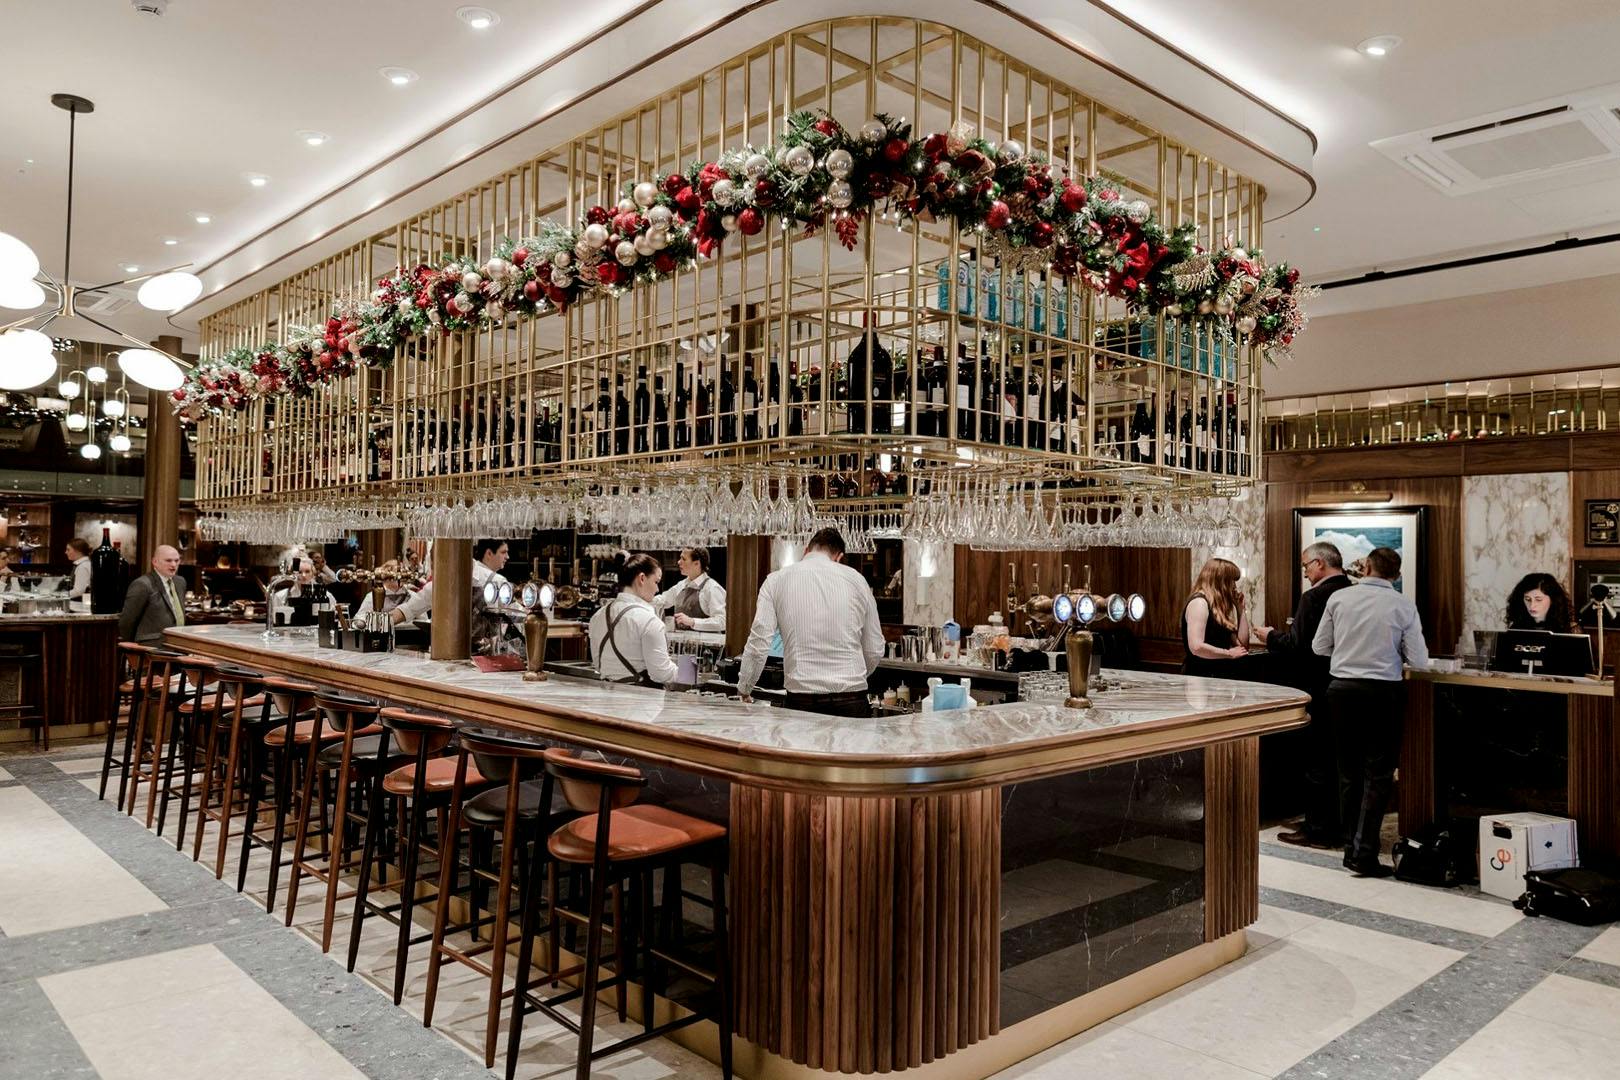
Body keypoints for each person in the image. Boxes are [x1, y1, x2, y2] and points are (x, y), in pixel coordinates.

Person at [1312, 546, 1429, 878]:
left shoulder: (1339, 599)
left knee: (1348, 772)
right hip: (1382, 693)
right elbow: (1419, 660)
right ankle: (1363, 852)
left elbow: (1319, 647)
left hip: (1342, 690)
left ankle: (1352, 847)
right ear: (1397, 575)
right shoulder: (1402, 605)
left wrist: (1350, 650)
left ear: (1365, 568)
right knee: (1378, 773)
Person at [1257, 542, 1353, 849]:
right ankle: (1340, 826)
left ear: (1320, 564)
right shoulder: (1352, 592)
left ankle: (1318, 829)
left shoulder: (1314, 597)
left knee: (1317, 762)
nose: (1306, 573)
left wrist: (1270, 636)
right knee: (1340, 762)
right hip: (1346, 686)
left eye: (1306, 566)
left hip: (1316, 687)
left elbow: (1298, 646)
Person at [736, 527, 884, 718]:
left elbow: (759, 643)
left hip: (801, 702)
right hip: (851, 701)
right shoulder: (857, 580)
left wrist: (745, 688)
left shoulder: (775, 581)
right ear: (839, 557)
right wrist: (854, 677)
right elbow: (874, 648)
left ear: (806, 550)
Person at [589, 552, 678, 686]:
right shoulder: (649, 621)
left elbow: (598, 664)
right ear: (642, 578)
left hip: (606, 695)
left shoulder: (598, 616)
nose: (657, 589)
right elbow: (661, 673)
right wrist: (687, 672)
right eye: (656, 582)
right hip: (641, 697)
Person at [390, 538, 510, 625]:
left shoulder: (496, 582)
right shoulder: (439, 585)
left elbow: (513, 619)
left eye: (439, 566)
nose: (436, 573)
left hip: (488, 651)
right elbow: (408, 609)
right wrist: (383, 622)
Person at [1181, 557, 1253, 677]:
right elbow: (1196, 647)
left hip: (1217, 675)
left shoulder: (1218, 608)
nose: (1234, 586)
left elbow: (1242, 647)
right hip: (1199, 675)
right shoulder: (1199, 603)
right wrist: (1228, 653)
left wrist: (1240, 609)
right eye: (1232, 581)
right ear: (1221, 581)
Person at [118, 544, 185, 643]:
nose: (174, 565)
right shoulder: (142, 584)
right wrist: (133, 645)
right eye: (168, 560)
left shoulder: (180, 582)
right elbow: (127, 621)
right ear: (155, 562)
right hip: (152, 645)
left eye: (176, 560)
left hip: (179, 642)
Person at [653, 546, 727, 632]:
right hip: (681, 640)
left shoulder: (712, 588)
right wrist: (643, 600)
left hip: (707, 641)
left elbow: (722, 622)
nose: (679, 562)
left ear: (697, 563)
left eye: (683, 559)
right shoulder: (682, 585)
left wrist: (692, 622)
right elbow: (663, 600)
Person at [1505, 572, 1578, 633]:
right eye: (1527, 599)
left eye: (1538, 600)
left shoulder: (1570, 629)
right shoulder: (1516, 628)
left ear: (1553, 600)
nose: (1532, 605)